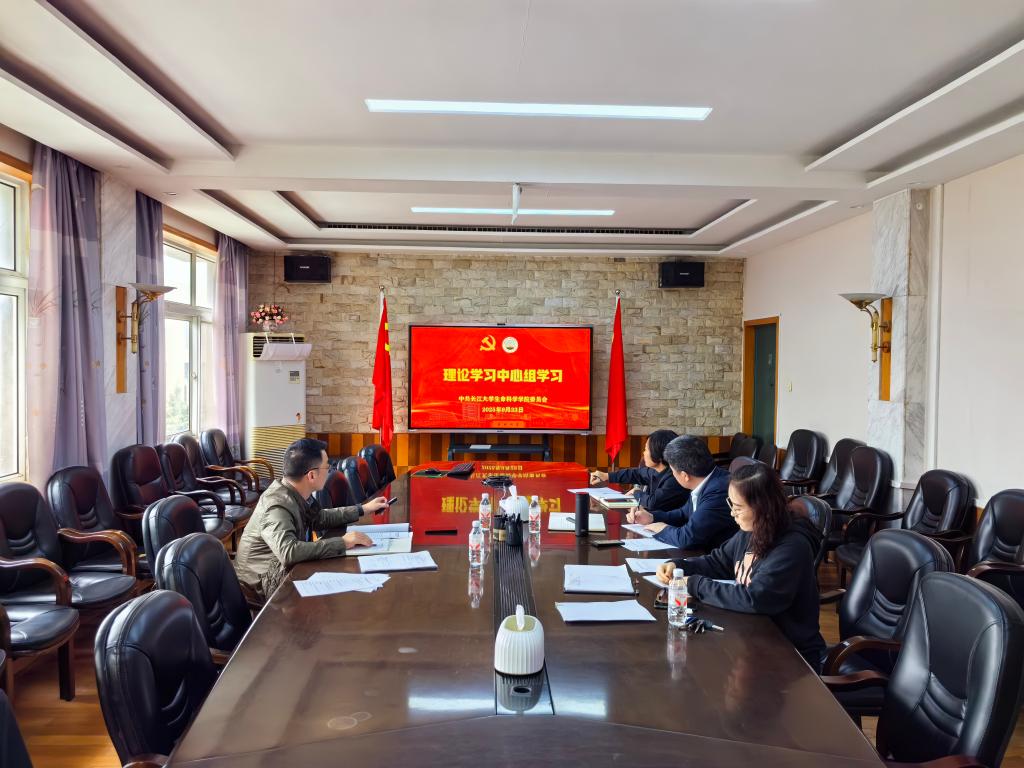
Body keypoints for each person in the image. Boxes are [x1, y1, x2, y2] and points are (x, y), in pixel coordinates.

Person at [656, 463, 826, 670]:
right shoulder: (752, 530)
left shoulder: (792, 547)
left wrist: (694, 584)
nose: (732, 514)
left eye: (737, 508)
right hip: (753, 638)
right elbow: (718, 562)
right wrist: (678, 566)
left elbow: (756, 598)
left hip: (790, 654)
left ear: (762, 507)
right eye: (731, 505)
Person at [234, 437, 388, 603]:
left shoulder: (295, 491)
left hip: (282, 571)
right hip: (262, 586)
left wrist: (362, 509)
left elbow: (319, 517)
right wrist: (343, 542)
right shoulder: (276, 505)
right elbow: (289, 552)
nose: (329, 470)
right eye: (327, 466)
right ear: (312, 475)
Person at [628, 435, 735, 551]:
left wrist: (662, 528)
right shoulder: (706, 479)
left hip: (715, 556)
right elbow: (683, 513)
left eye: (672, 471)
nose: (672, 475)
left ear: (685, 476)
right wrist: (652, 517)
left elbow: (687, 538)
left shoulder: (719, 491)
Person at [589, 429, 688, 512]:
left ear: (658, 453)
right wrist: (606, 476)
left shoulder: (674, 478)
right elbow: (635, 474)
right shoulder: (655, 470)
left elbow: (652, 503)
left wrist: (636, 492)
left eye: (646, 449)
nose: (643, 453)